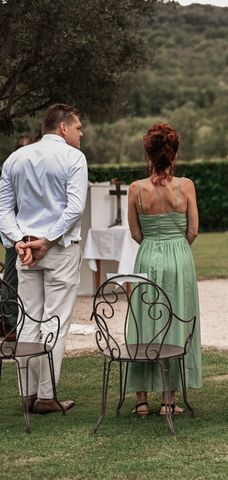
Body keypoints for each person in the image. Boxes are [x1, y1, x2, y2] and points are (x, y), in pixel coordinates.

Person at [0, 104, 88, 414]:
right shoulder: (73, 158)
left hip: (26, 252)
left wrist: (19, 241)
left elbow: (3, 209)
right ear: (63, 127)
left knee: (28, 319)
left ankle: (27, 393)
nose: (80, 134)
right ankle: (47, 396)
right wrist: (47, 240)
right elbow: (75, 208)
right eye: (78, 128)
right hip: (59, 248)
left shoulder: (15, 159)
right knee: (56, 320)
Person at [126, 123, 202, 416]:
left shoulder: (136, 189)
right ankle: (169, 400)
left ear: (148, 154)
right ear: (174, 154)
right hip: (180, 256)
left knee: (144, 321)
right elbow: (193, 230)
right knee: (176, 322)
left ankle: (141, 400)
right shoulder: (187, 186)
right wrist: (177, 248)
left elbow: (135, 233)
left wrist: (153, 245)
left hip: (148, 255)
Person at [0, 135, 34, 341]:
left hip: (35, 238)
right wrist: (13, 239)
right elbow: (5, 209)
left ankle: (28, 324)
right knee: (12, 282)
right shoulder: (11, 173)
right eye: (20, 148)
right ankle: (11, 326)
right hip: (15, 239)